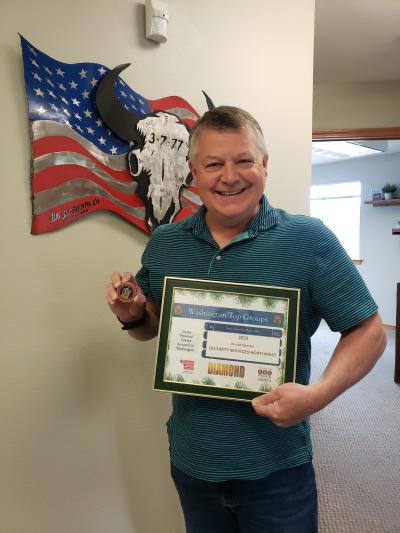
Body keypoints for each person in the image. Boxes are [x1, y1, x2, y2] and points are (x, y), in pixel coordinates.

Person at [106, 106, 386, 533]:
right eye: (214, 164)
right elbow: (154, 329)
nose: (229, 176)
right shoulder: (165, 245)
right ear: (192, 173)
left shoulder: (309, 240)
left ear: (265, 166)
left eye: (244, 161)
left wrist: (319, 394)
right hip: (193, 461)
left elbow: (368, 331)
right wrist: (133, 316)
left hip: (277, 468)